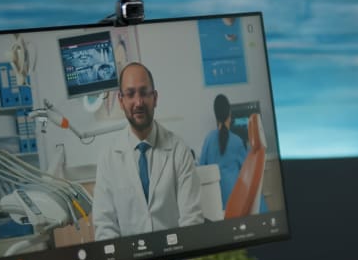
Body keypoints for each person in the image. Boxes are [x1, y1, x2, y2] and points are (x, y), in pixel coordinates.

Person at [92, 61, 204, 240]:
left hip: (175, 257)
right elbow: (105, 226)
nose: (138, 102)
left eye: (144, 92)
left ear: (155, 98)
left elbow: (191, 220)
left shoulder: (179, 150)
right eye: (130, 94)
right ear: (121, 101)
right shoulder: (108, 158)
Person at [199, 93, 247, 209]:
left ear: (216, 115)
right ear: (229, 114)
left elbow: (201, 167)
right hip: (235, 195)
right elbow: (246, 170)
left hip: (214, 197)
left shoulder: (209, 139)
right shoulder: (237, 141)